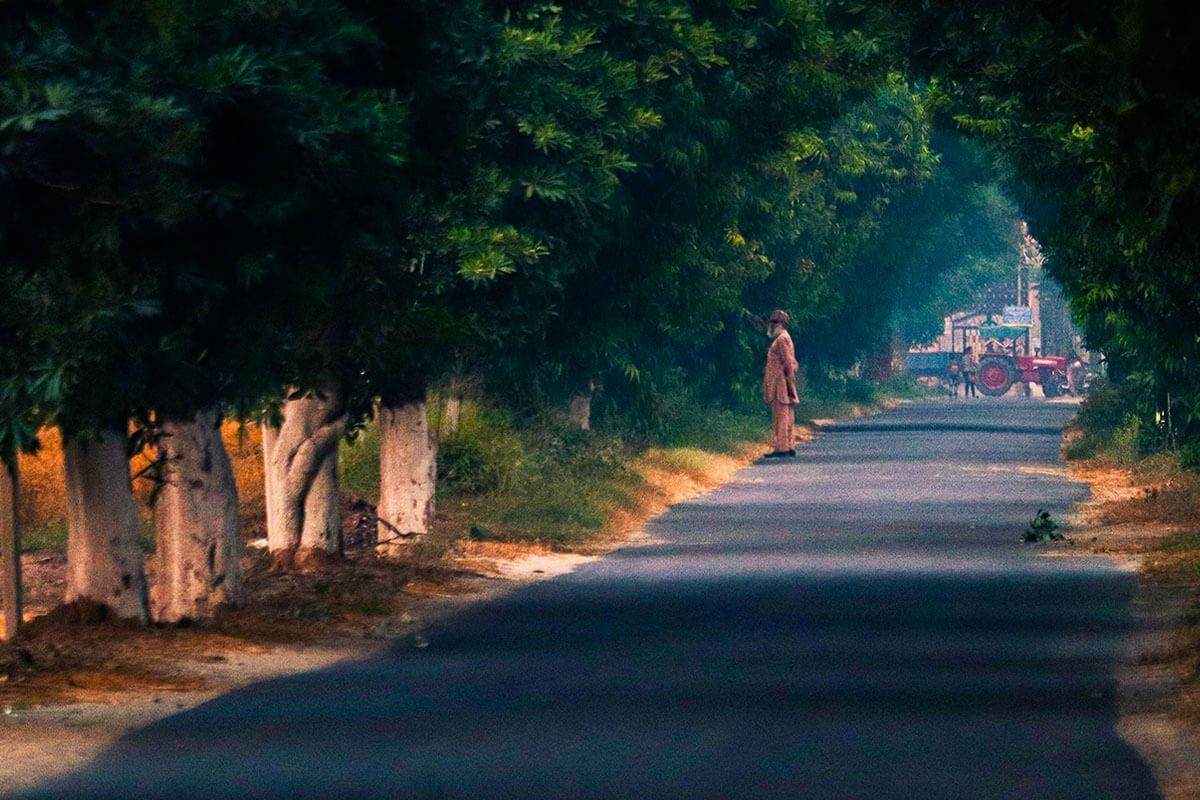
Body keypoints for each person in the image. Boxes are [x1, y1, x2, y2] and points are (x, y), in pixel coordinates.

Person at [763, 309, 799, 457]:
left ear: (781, 324)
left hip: (780, 383)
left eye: (774, 322)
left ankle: (782, 448)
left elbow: (788, 363)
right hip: (781, 382)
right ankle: (788, 446)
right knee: (786, 416)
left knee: (781, 417)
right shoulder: (784, 338)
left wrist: (789, 383)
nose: (771, 325)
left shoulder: (782, 339)